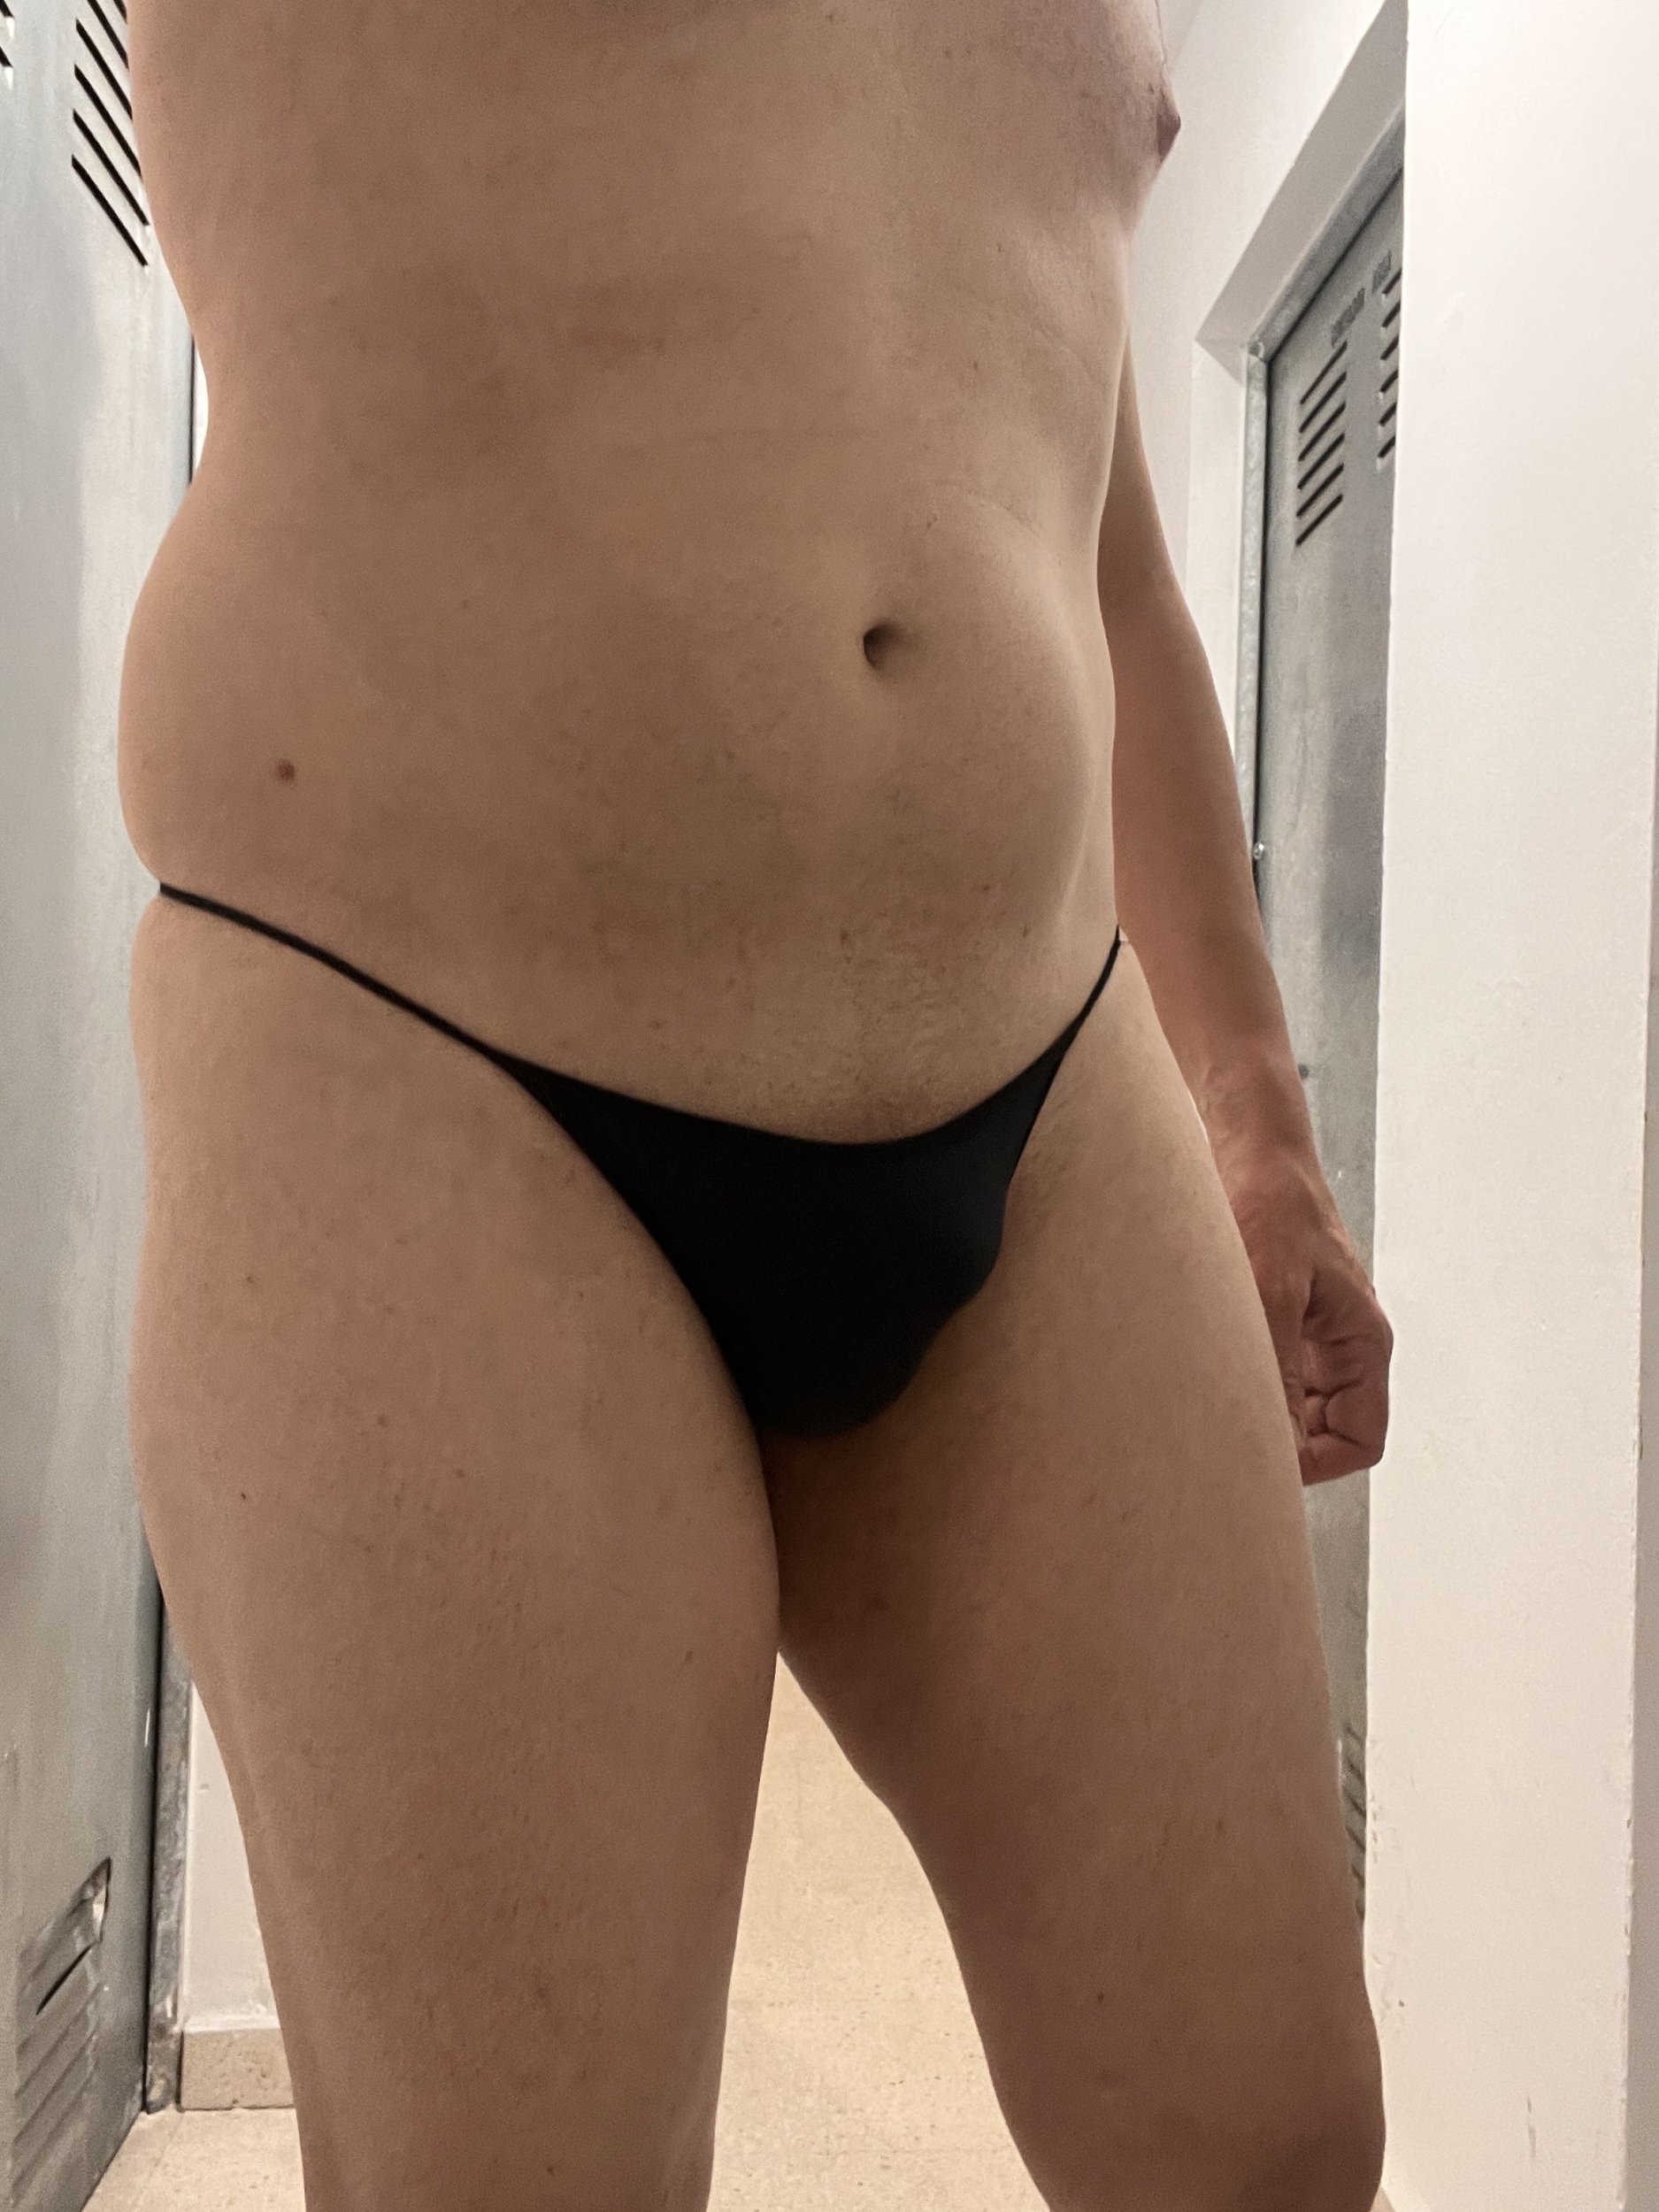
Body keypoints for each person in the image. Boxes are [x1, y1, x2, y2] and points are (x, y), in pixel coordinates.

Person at [119, 0, 1393, 2203]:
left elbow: (1109, 568)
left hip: (1043, 1056)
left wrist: (1254, 1111)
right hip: (419, 1034)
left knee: (1265, 2145)